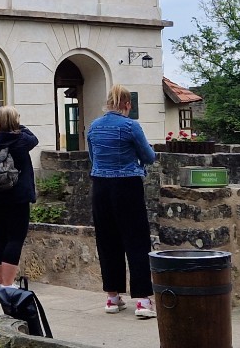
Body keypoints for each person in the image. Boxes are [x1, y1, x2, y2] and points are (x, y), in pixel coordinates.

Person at [87, 84, 157, 320]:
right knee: (136, 241)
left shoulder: (94, 127)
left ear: (108, 103)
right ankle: (143, 301)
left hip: (100, 187)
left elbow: (92, 157)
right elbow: (148, 156)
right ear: (127, 104)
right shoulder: (130, 126)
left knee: (107, 240)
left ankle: (112, 296)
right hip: (127, 185)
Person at [0, 105, 38, 291]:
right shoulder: (21, 140)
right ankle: (8, 285)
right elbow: (34, 139)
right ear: (15, 121)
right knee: (15, 238)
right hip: (17, 198)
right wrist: (18, 126)